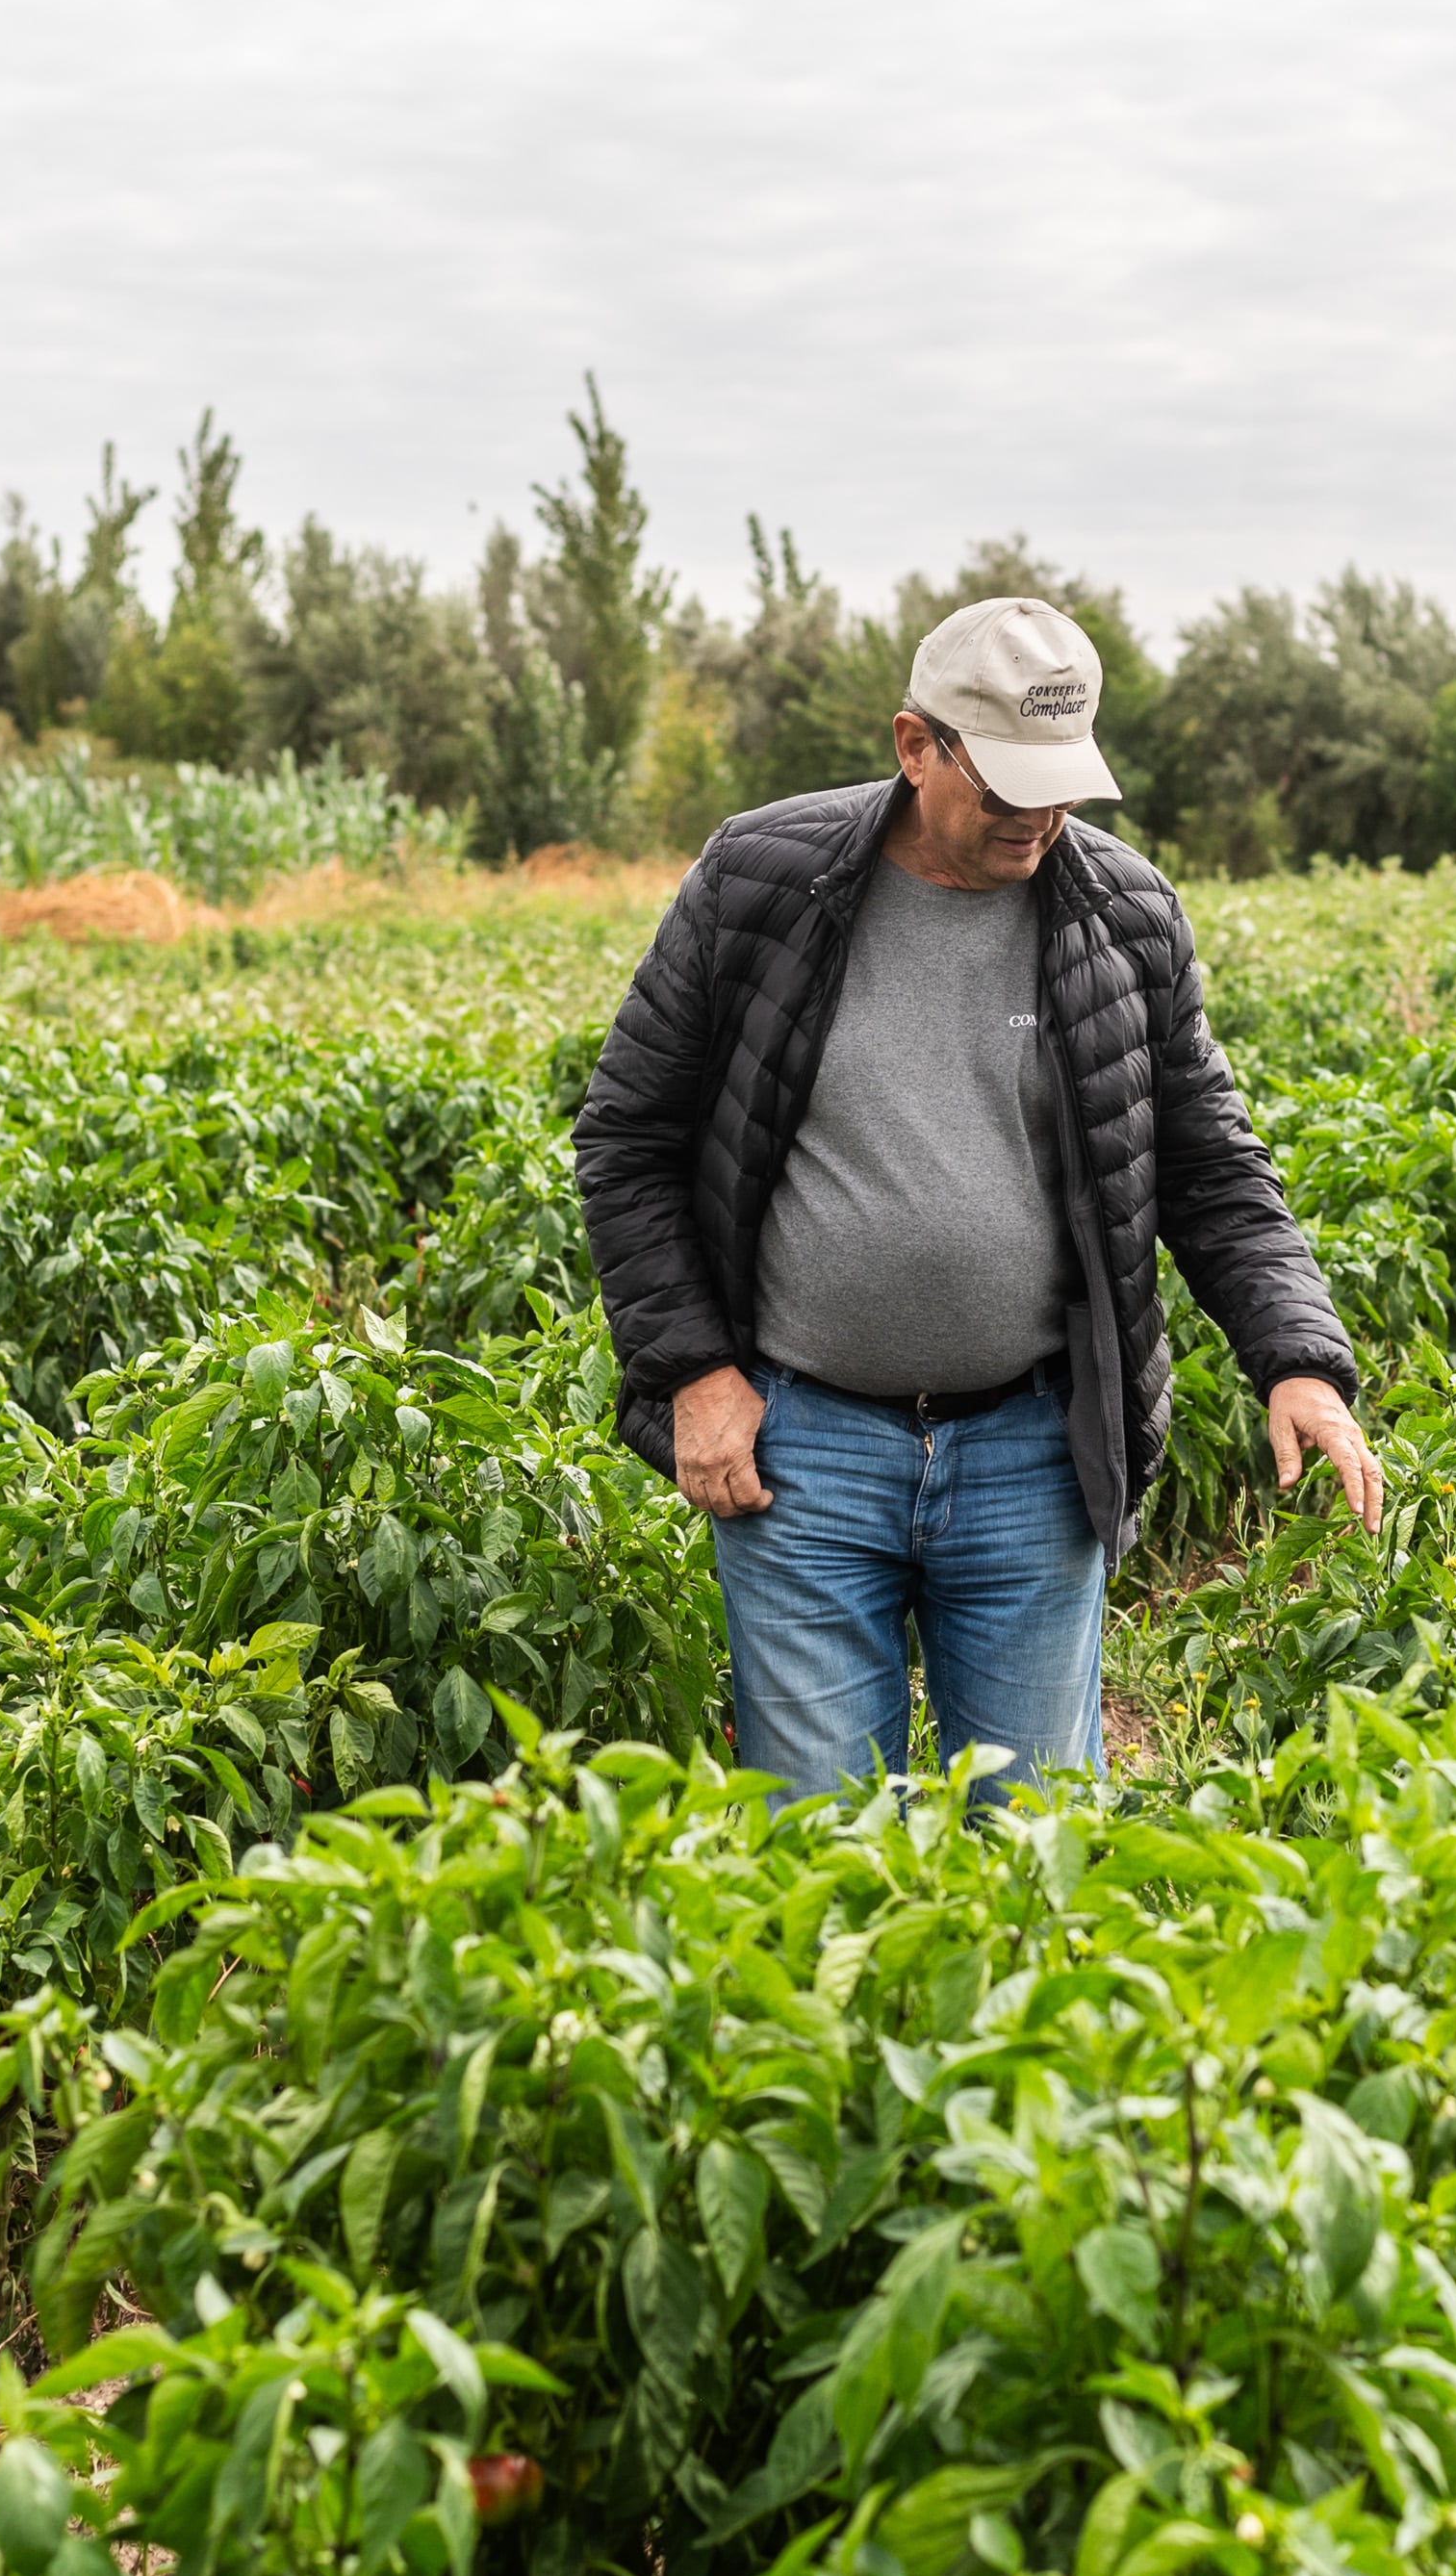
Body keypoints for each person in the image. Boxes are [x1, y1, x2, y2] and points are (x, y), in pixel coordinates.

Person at [573, 595, 1384, 1803]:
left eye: (1060, 784)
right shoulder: (762, 883)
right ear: (916, 744)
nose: (1038, 817)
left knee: (1035, 1854)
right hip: (801, 1448)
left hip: (1032, 1452)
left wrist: (1296, 1362)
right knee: (816, 1849)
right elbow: (626, 1135)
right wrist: (693, 1370)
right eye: (1005, 784)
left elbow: (1210, 1166)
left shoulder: (1121, 913)